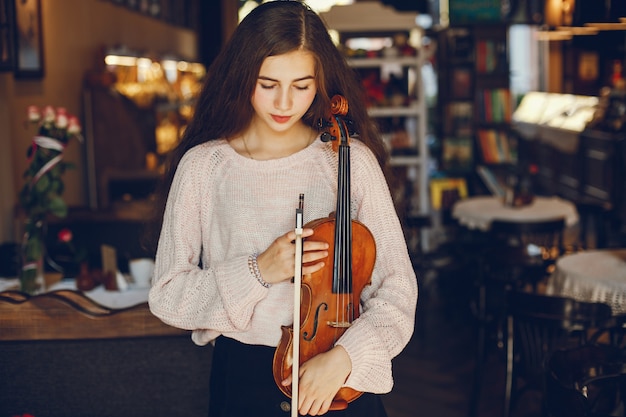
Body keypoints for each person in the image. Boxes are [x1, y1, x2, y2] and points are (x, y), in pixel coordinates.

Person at [148, 1, 418, 416]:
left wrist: (346, 356)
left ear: (321, 83)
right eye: (268, 83)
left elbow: (398, 288)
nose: (285, 102)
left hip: (338, 374)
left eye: (302, 85)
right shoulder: (204, 167)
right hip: (243, 377)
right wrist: (259, 271)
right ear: (242, 76)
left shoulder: (348, 159)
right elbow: (168, 296)